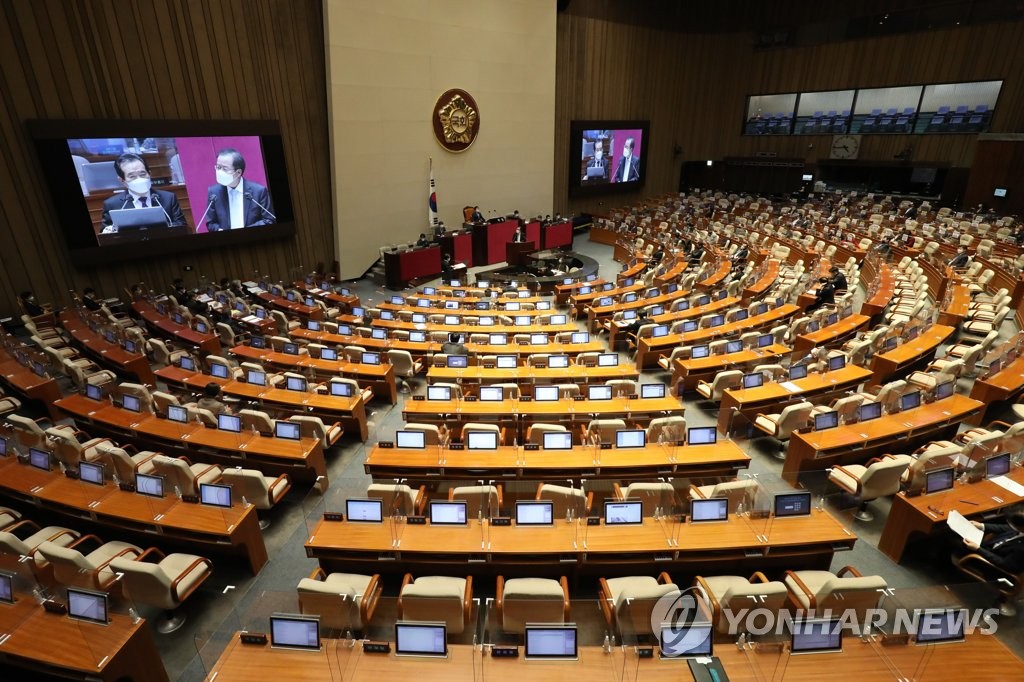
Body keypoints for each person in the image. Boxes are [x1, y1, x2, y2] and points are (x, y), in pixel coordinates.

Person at [101, 153, 187, 232]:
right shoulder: (112, 205)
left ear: (149, 174)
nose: (139, 179)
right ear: (122, 181)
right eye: (132, 176)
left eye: (142, 174)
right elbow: (106, 234)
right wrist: (109, 231)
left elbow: (182, 226)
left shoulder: (168, 198)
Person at [205, 148, 276, 231]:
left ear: (238, 172)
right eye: (218, 167)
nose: (219, 171)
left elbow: (269, 220)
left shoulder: (259, 191)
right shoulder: (214, 192)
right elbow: (210, 223)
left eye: (224, 169)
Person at [959, 512, 1024, 574]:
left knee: (955, 540)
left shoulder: (1021, 549)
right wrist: (981, 525)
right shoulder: (1020, 529)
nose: (1009, 525)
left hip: (990, 564)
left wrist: (978, 549)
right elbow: (1005, 528)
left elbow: (1005, 564)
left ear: (1021, 528)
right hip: (989, 547)